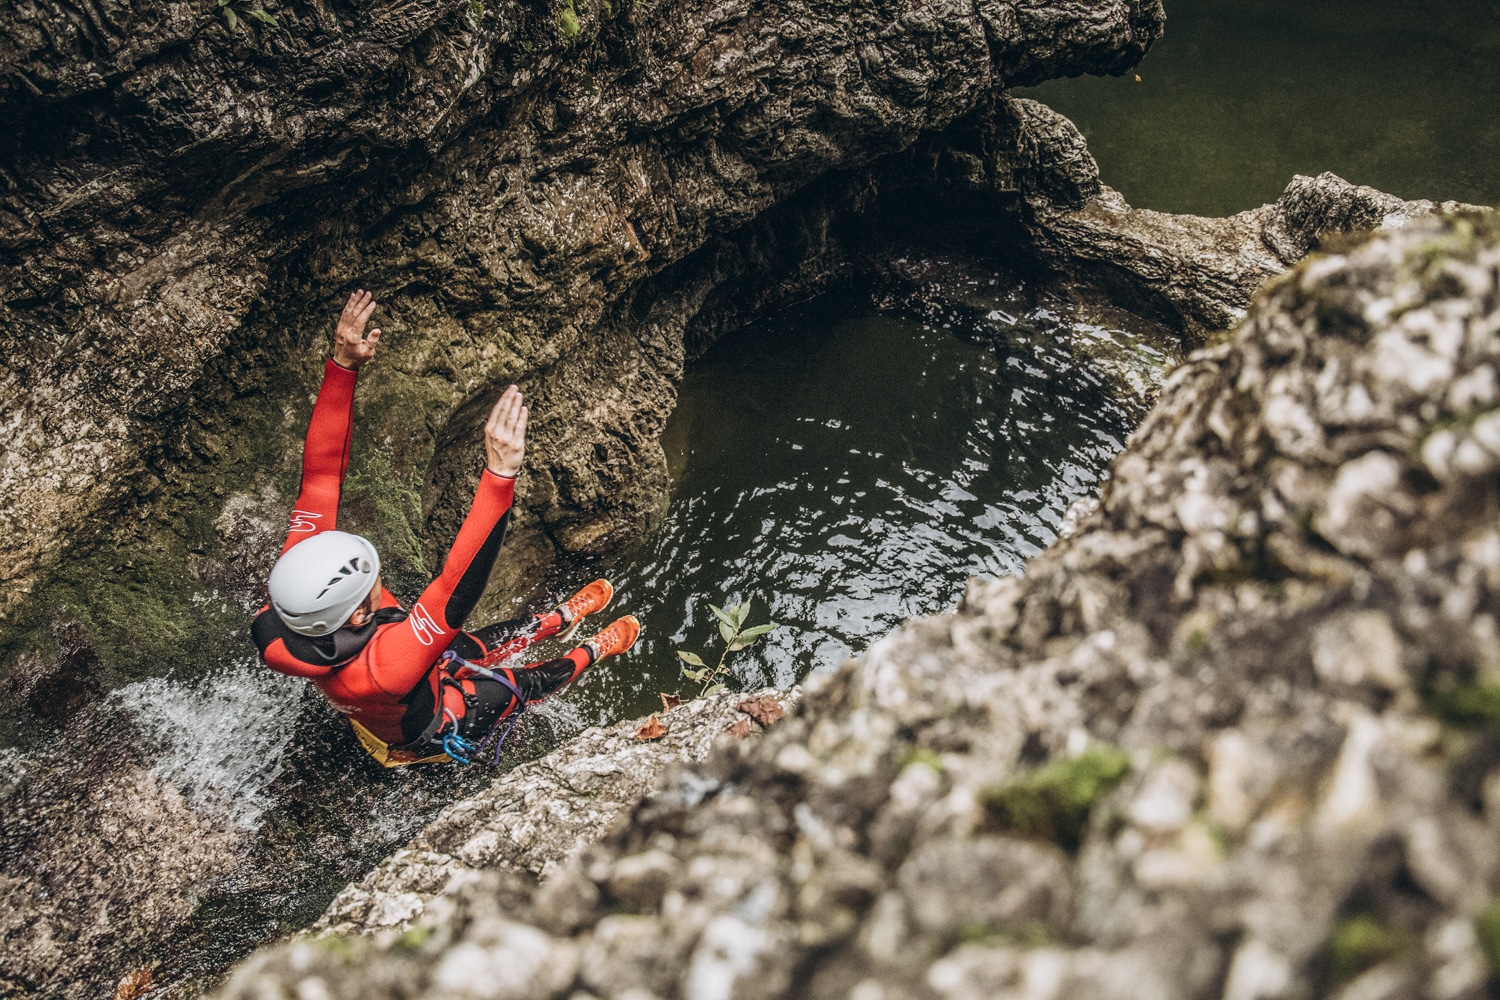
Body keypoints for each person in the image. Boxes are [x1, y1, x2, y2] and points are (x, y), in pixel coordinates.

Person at [253, 289, 640, 766]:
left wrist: (342, 366)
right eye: (371, 581)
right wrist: (499, 474)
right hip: (429, 723)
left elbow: (320, 475)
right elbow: (456, 587)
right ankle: (589, 652)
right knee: (519, 684)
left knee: (488, 640)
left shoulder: (297, 586)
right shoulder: (384, 668)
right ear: (356, 616)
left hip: (399, 680)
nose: (379, 578)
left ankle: (553, 621)